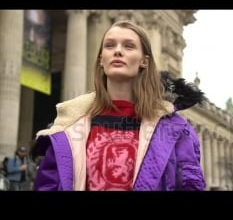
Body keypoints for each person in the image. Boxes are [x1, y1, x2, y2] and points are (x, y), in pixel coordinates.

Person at [31, 20, 206, 191]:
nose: (118, 51)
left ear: (144, 61)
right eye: (110, 45)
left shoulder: (176, 128)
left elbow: (189, 185)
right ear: (101, 59)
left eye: (128, 46)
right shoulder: (68, 128)